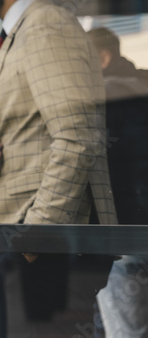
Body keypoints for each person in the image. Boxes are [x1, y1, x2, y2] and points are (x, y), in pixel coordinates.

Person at [0, 0, 116, 337]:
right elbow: (38, 135)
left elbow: (79, 137)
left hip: (46, 248)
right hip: (34, 245)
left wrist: (35, 238)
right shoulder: (24, 33)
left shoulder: (45, 28)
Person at [87, 27, 148, 338]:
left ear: (103, 58)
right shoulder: (143, 84)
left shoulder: (105, 99)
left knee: (127, 332)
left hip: (124, 236)